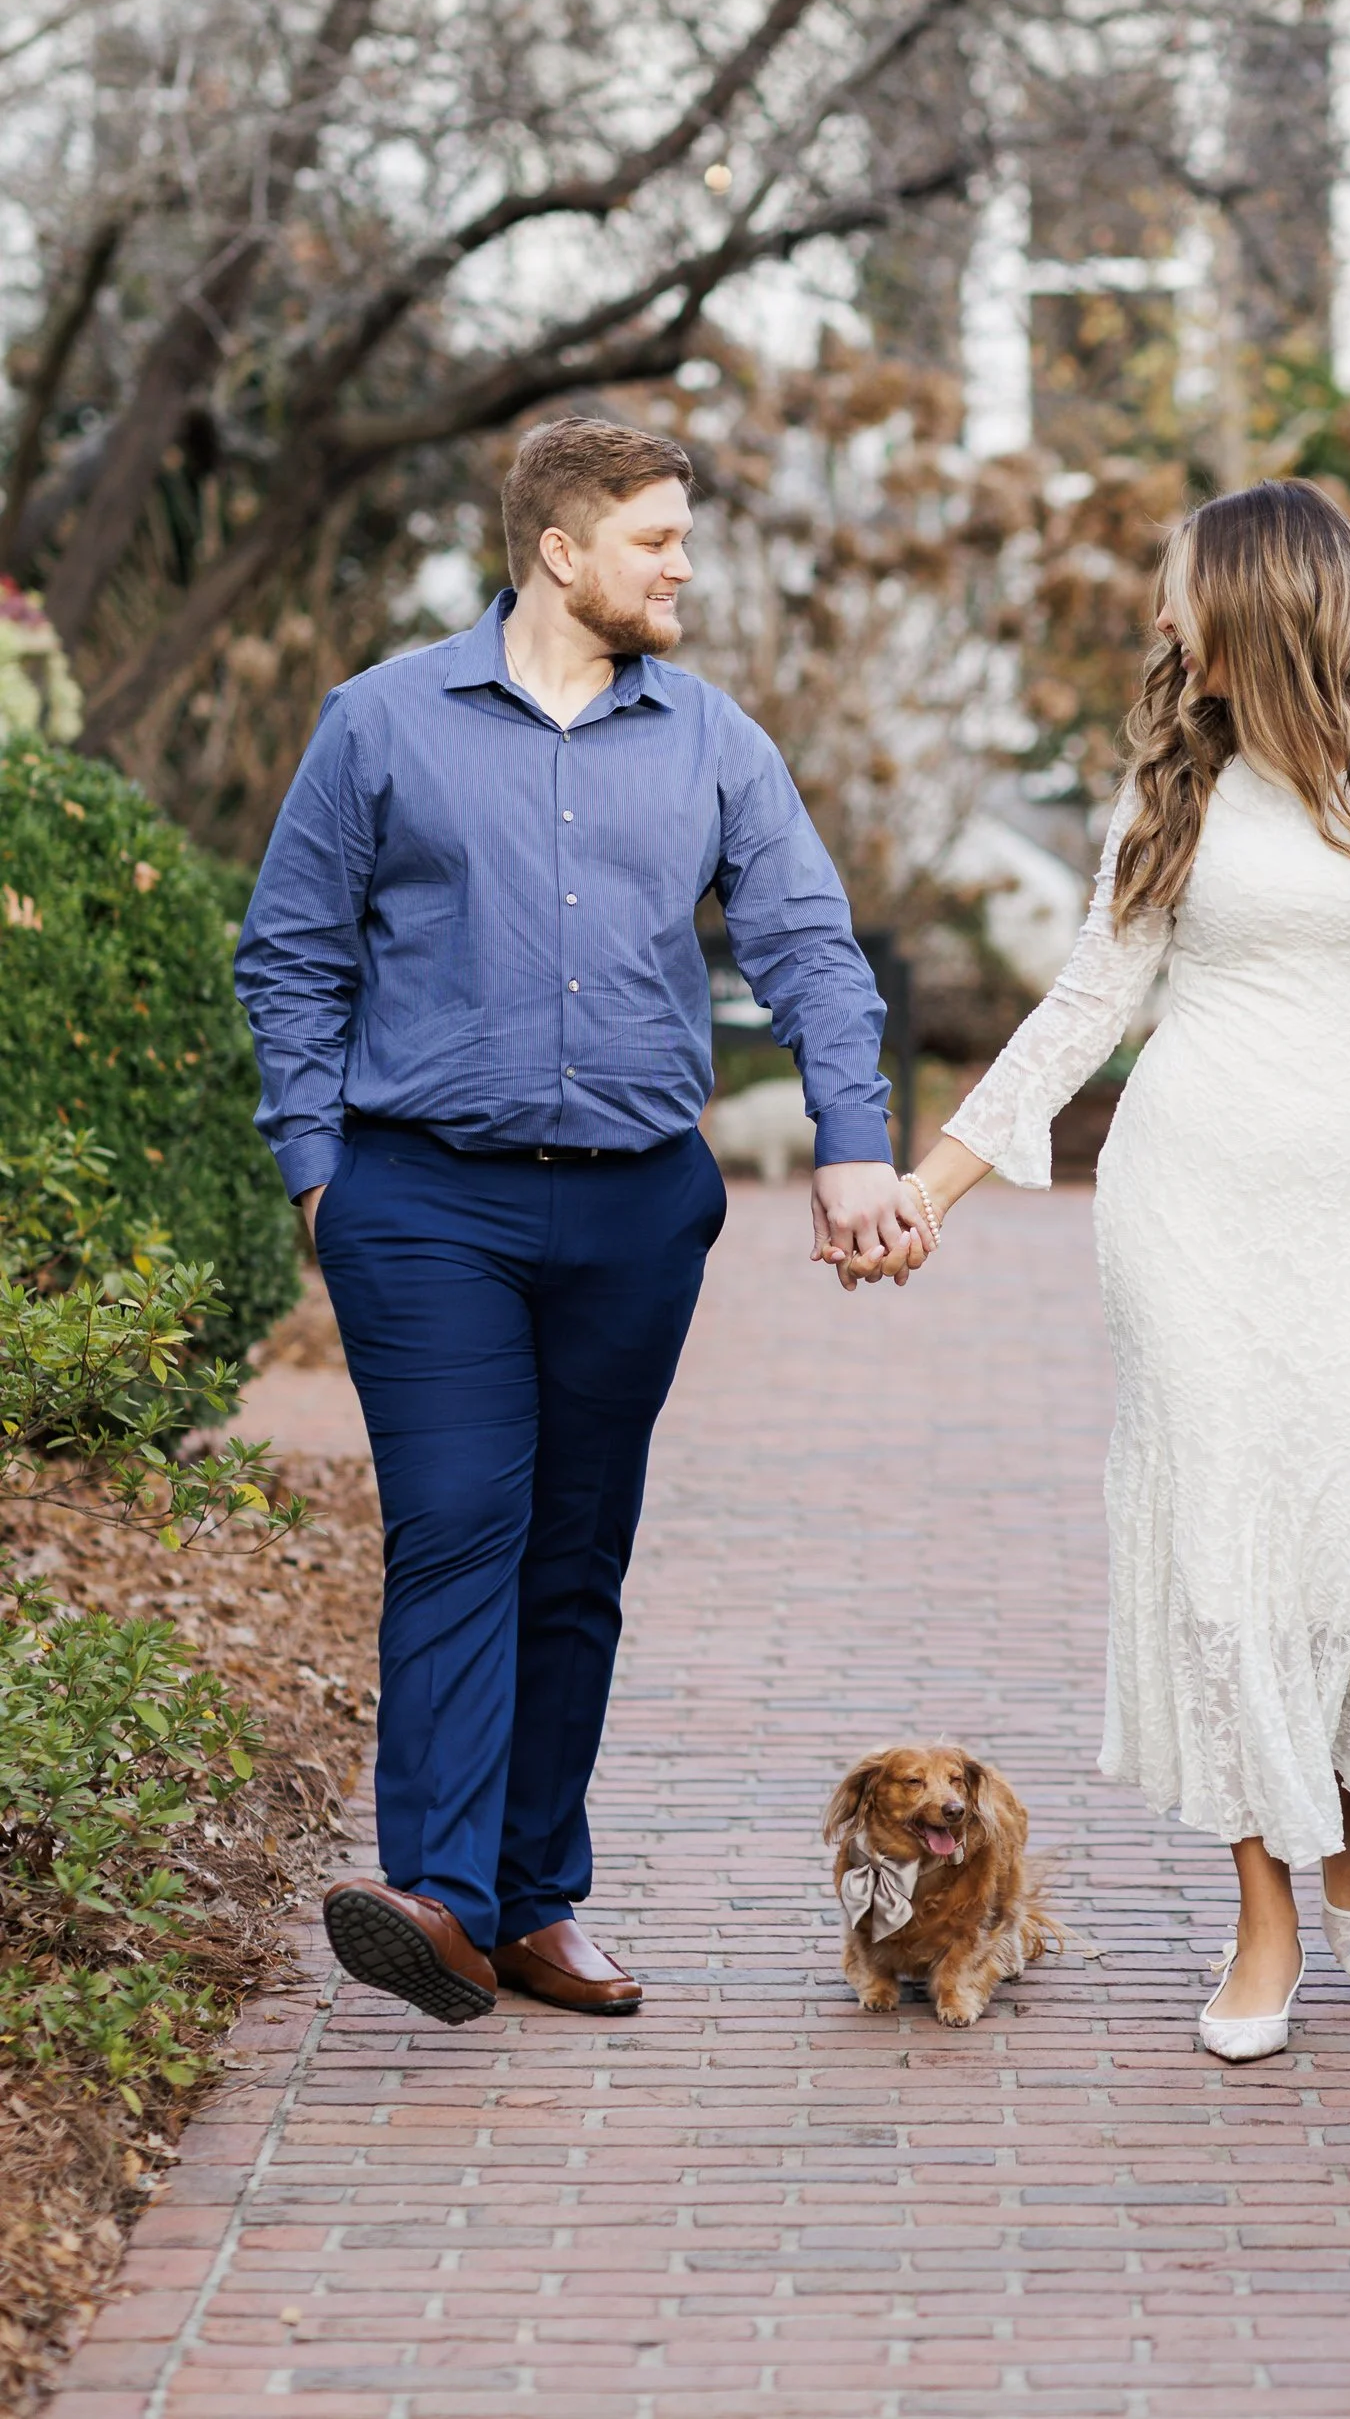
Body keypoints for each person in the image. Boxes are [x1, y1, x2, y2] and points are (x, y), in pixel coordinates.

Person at [900, 480, 1350, 2063]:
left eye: (1176, 594)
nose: (1159, 621)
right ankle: (1263, 1910)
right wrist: (936, 1188)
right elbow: (1089, 1000)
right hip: (1187, 1207)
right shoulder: (1180, 779)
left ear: (1260, 601)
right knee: (1219, 1565)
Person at [236, 416, 929, 2026]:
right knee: (462, 1524)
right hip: (424, 1203)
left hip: (635, 1210)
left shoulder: (711, 741)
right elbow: (291, 953)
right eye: (656, 539)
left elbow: (814, 947)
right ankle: (441, 1897)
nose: (684, 564)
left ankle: (536, 1901)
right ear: (561, 551)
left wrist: (854, 1141)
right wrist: (319, 1174)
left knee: (576, 1555)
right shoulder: (382, 721)